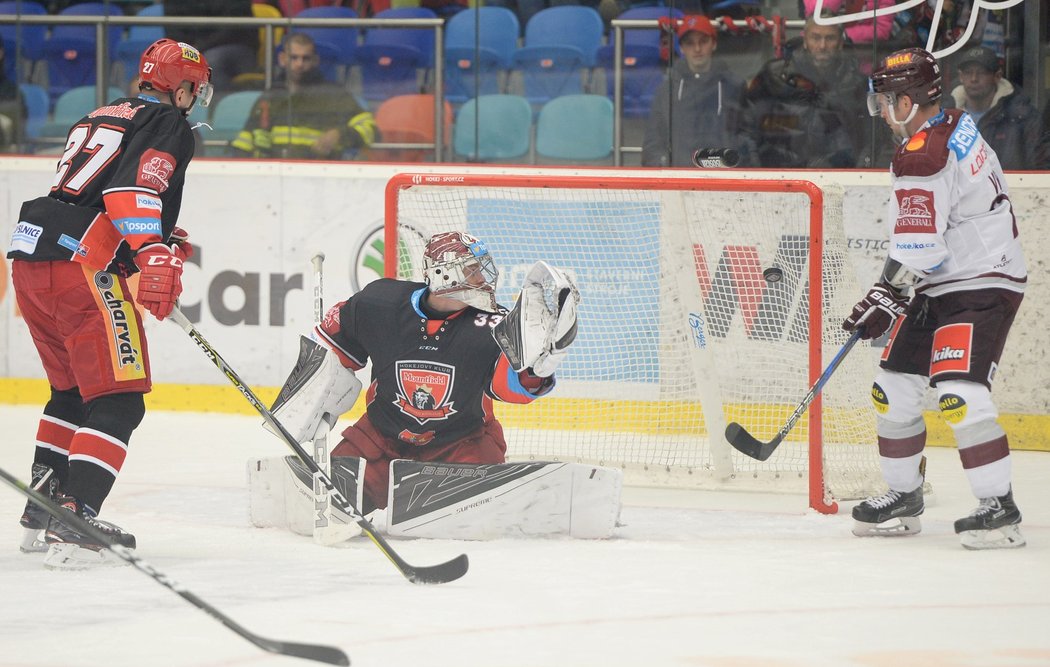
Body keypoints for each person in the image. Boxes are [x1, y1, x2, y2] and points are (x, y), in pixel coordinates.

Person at [7, 38, 212, 568]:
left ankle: (43, 505)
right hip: (84, 265)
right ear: (183, 86)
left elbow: (94, 191)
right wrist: (152, 252)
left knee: (70, 391)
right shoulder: (168, 122)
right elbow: (127, 197)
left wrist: (159, 238)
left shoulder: (100, 112)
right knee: (119, 399)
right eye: (194, 88)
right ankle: (77, 511)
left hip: (32, 256)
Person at [844, 47, 1027, 550]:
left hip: (981, 283)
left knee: (959, 394)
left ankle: (1000, 510)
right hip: (942, 280)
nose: (882, 111)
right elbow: (924, 244)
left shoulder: (924, 152)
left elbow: (919, 246)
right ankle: (904, 497)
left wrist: (885, 293)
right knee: (893, 387)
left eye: (885, 100)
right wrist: (892, 289)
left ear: (908, 100)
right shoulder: (952, 122)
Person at [269, 231, 579, 514]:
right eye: (472, 269)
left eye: (482, 267)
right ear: (444, 275)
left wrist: (536, 371)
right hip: (380, 439)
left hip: (461, 444)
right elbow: (334, 343)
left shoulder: (493, 324)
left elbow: (506, 387)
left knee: (480, 512)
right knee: (313, 505)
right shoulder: (380, 304)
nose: (483, 277)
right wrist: (312, 389)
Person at [739, 14, 868, 168]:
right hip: (778, 173)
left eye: (830, 38)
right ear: (805, 40)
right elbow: (745, 126)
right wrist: (755, 169)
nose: (822, 46)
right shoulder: (774, 74)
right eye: (815, 37)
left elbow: (871, 140)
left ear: (840, 43)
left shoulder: (856, 83)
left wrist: (858, 173)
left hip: (836, 176)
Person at [230, 32, 377, 160]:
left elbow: (370, 128)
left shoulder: (333, 94)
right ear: (282, 59)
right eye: (294, 58)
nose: (299, 64)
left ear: (315, 61)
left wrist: (338, 135)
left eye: (305, 58)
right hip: (275, 176)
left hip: (320, 176)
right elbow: (246, 140)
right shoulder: (271, 96)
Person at [641, 15, 746, 168]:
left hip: (722, 179)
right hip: (679, 180)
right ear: (682, 48)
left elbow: (745, 140)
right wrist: (665, 171)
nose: (697, 49)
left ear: (714, 44)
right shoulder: (667, 90)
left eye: (703, 41)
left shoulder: (733, 87)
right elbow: (653, 142)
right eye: (690, 43)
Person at [947, 46, 1048, 170]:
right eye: (968, 73)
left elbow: (1042, 171)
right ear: (961, 76)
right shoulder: (945, 117)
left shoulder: (1024, 118)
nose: (974, 79)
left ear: (998, 76)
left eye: (982, 72)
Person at [162, 0, 258, 90]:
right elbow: (174, 30)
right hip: (196, 47)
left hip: (236, 46)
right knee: (162, 62)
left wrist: (199, 48)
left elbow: (233, 30)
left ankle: (217, 104)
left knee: (209, 62)